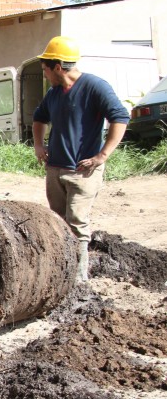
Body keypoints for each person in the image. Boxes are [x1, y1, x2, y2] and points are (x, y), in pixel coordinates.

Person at [32, 36, 129, 282]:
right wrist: (38, 145)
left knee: (76, 224)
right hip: (56, 170)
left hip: (82, 171)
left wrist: (102, 155)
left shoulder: (95, 87)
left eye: (45, 69)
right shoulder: (54, 93)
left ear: (57, 67)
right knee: (58, 223)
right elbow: (39, 118)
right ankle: (61, 274)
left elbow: (120, 117)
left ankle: (78, 280)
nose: (44, 74)